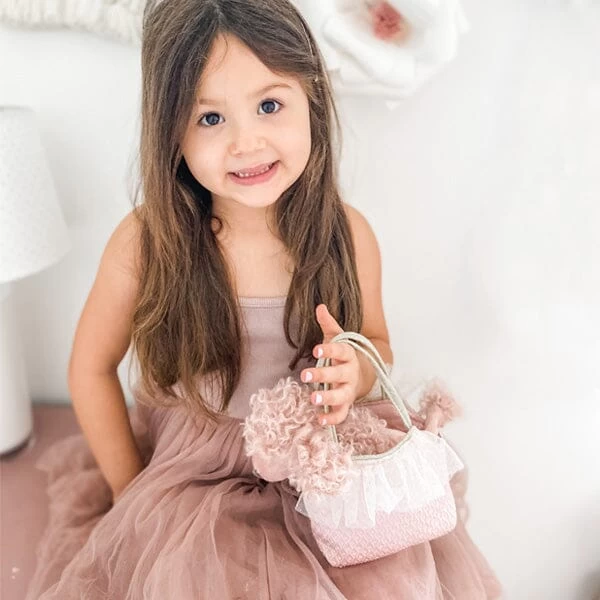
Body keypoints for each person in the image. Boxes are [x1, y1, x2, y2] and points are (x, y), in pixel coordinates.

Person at [26, 0, 502, 598]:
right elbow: (91, 367)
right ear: (170, 131)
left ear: (312, 101)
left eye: (269, 106)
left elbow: (377, 344)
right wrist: (129, 490)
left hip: (326, 467)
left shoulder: (347, 234)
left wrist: (352, 374)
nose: (246, 142)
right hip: (199, 477)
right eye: (210, 118)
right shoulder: (149, 241)